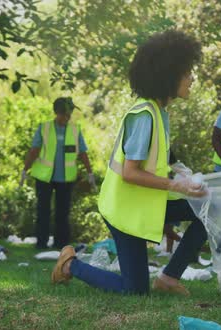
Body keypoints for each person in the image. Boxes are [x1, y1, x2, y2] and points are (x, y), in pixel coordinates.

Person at [51, 30, 208, 296]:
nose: (192, 78)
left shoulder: (158, 112)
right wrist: (177, 186)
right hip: (124, 210)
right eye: (186, 72)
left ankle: (168, 278)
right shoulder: (144, 115)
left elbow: (152, 166)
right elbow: (130, 173)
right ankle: (70, 264)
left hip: (142, 204)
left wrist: (176, 180)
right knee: (134, 291)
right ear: (168, 75)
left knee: (207, 209)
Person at [21, 97, 96, 249]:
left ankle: (61, 244)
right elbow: (34, 150)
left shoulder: (75, 130)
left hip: (66, 179)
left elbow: (82, 152)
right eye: (63, 114)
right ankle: (41, 244)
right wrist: (25, 169)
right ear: (56, 112)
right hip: (44, 178)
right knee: (43, 212)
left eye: (69, 115)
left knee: (63, 213)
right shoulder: (44, 128)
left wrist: (90, 173)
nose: (66, 118)